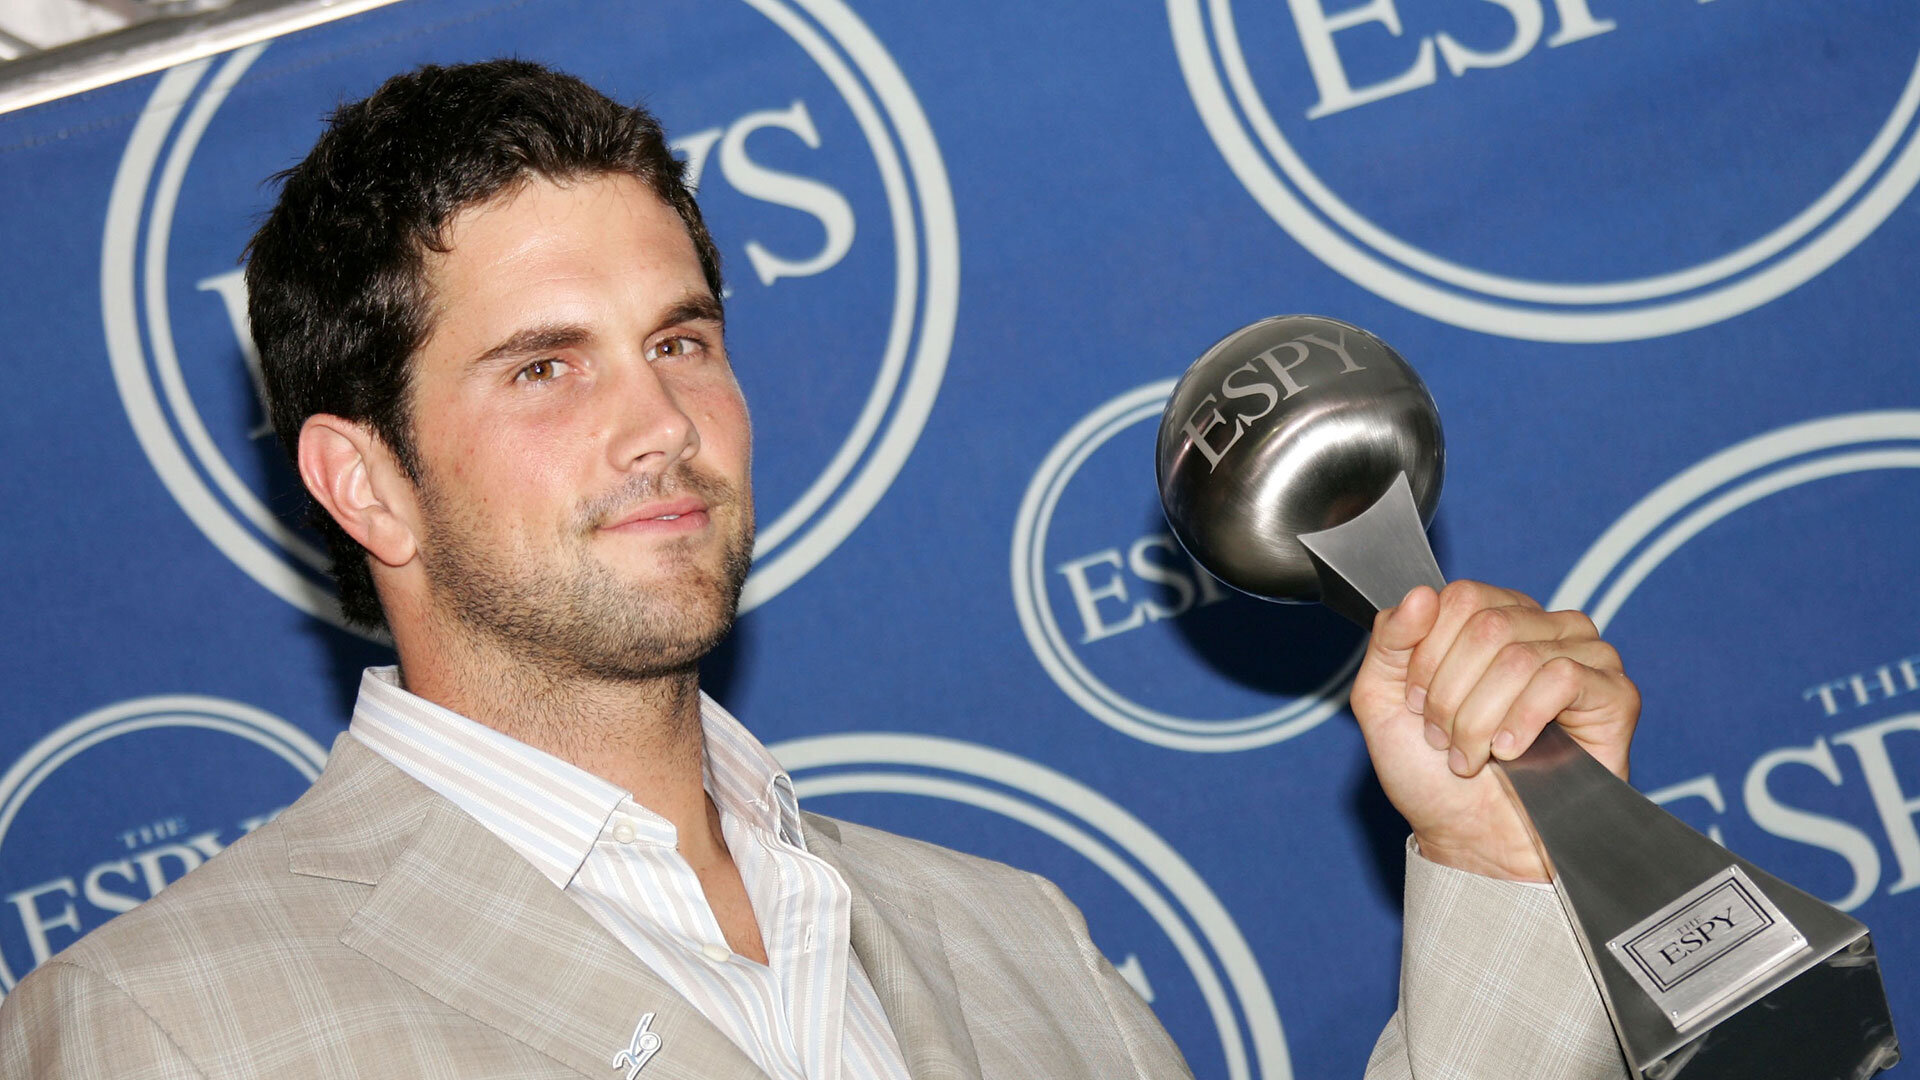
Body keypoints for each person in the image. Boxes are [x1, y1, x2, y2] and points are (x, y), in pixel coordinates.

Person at [0, 60, 1639, 1079]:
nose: (663, 425)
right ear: (366, 481)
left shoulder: (1011, 938)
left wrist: (1500, 865)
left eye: (682, 340)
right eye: (544, 367)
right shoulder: (157, 1032)